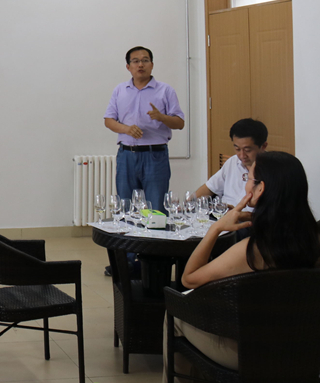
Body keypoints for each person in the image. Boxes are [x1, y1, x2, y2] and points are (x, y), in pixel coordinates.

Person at [167, 151, 320, 377]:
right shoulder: (313, 239)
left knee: (175, 317)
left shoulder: (251, 251)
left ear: (260, 189)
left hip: (250, 352)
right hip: (307, 348)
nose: (245, 184)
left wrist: (216, 228)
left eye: (248, 178)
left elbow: (189, 278)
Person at [104, 46, 184, 213]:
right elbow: (109, 120)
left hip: (155, 156)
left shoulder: (165, 90)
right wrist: (126, 129)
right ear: (128, 66)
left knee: (157, 207)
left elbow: (179, 123)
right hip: (126, 155)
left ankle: (156, 231)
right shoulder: (120, 90)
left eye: (145, 60)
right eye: (136, 61)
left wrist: (161, 117)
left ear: (152, 65)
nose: (140, 65)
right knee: (126, 207)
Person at [194, 118, 267, 209]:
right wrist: (188, 204)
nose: (242, 155)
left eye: (247, 150)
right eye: (237, 149)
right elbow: (209, 187)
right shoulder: (232, 162)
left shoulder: (272, 170)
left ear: (263, 146)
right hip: (223, 214)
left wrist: (235, 213)